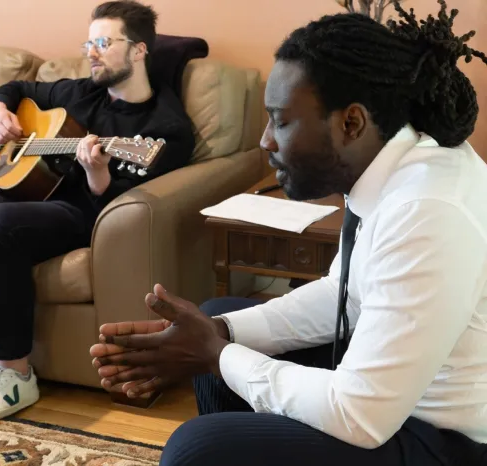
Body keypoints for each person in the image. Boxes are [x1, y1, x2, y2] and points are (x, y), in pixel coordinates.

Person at [90, 1, 487, 464]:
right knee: (218, 319)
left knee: (197, 449)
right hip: (396, 403)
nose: (265, 141)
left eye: (280, 120)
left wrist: (215, 354)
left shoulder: (426, 211)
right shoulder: (395, 168)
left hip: (446, 441)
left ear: (351, 123)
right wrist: (216, 333)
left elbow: (359, 415)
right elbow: (348, 294)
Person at [0, 0, 195, 422]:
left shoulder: (164, 128)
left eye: (102, 42)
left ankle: (14, 375)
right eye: (89, 41)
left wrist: (97, 170)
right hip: (19, 199)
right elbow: (14, 89)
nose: (90, 52)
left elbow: (117, 202)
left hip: (79, 214)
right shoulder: (77, 92)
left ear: (138, 51)